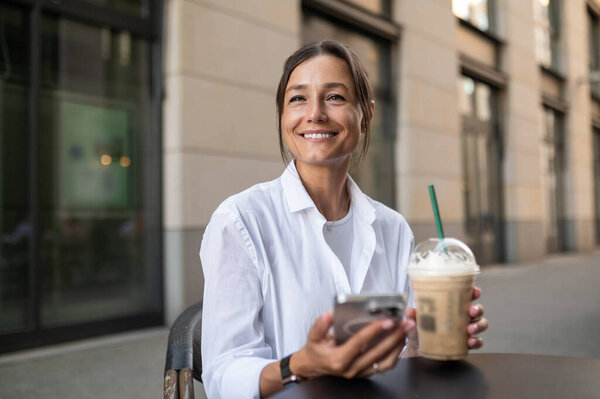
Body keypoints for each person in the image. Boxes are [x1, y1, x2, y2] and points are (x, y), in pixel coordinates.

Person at [200, 40, 488, 399]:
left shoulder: (393, 230)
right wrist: (302, 364)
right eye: (298, 99)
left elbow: (398, 364)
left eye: (335, 97)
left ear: (365, 115)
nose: (316, 113)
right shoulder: (240, 222)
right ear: (282, 116)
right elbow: (222, 375)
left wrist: (421, 343)